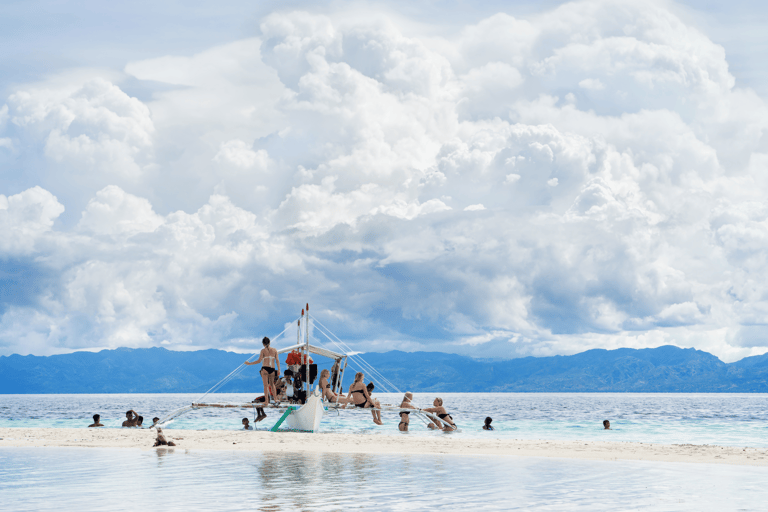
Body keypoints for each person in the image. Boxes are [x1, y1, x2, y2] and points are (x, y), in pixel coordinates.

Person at [244, 336, 281, 405]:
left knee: (265, 385)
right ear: (269, 342)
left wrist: (249, 363)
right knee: (272, 384)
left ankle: (266, 401)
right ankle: (276, 399)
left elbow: (258, 361)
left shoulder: (263, 351)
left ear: (263, 344)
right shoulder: (275, 350)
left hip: (265, 368)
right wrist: (279, 369)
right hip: (272, 369)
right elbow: (277, 361)